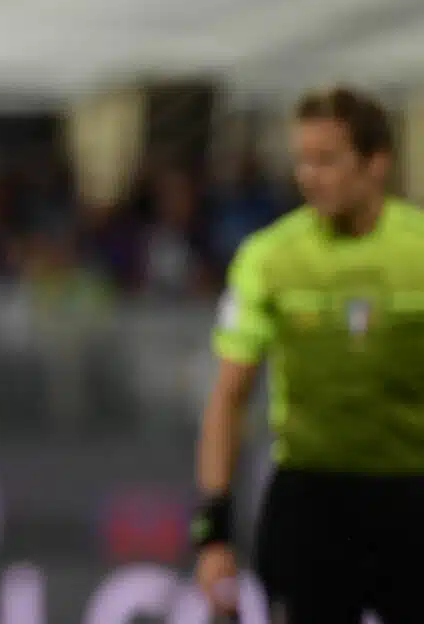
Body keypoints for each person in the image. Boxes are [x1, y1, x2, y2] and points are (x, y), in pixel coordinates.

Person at [193, 87, 424, 623]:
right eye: (302, 160)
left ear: (376, 164)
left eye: (326, 160)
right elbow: (229, 398)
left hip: (412, 498)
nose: (308, 176)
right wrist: (214, 533)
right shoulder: (269, 257)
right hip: (311, 501)